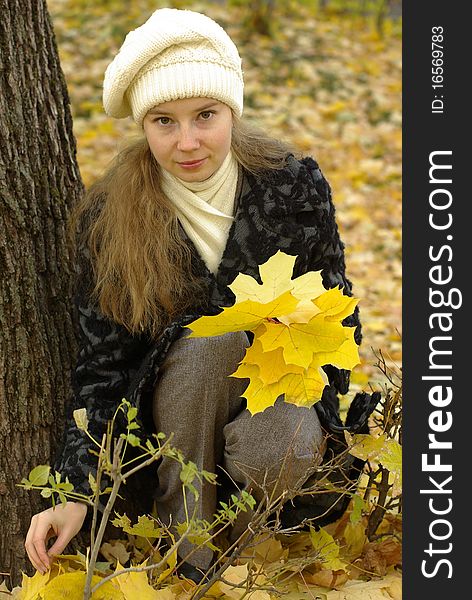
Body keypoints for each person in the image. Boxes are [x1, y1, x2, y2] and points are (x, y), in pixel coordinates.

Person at [25, 7, 377, 582]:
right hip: (168, 417)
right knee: (206, 344)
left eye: (205, 116)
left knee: (276, 447)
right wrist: (76, 490)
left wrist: (316, 409)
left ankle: (247, 548)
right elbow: (102, 368)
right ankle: (186, 551)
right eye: (164, 121)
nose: (187, 142)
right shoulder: (110, 219)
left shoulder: (292, 186)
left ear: (231, 111)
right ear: (143, 125)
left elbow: (337, 319)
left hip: (274, 387)